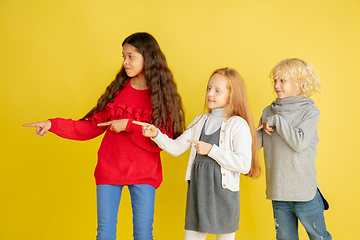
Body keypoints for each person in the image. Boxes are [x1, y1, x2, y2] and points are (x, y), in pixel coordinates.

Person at [23, 32, 185, 240]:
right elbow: (90, 127)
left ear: (148, 58)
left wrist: (128, 125)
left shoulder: (160, 99)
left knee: (143, 234)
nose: (125, 62)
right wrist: (53, 124)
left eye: (131, 57)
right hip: (109, 171)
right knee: (105, 233)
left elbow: (162, 141)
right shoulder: (118, 91)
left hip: (145, 174)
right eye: (123, 56)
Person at [134, 68, 260, 240]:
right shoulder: (200, 120)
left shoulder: (238, 124)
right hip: (198, 192)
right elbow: (176, 148)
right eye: (209, 88)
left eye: (217, 90)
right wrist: (157, 134)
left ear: (232, 95)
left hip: (224, 196)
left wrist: (211, 150)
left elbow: (244, 164)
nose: (210, 94)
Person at [256, 58, 331, 240]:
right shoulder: (268, 111)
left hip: (304, 192)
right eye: (275, 80)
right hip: (278, 190)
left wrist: (276, 121)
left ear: (300, 84)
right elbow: (255, 144)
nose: (276, 85)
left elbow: (299, 143)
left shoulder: (310, 112)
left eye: (282, 81)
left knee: (318, 236)